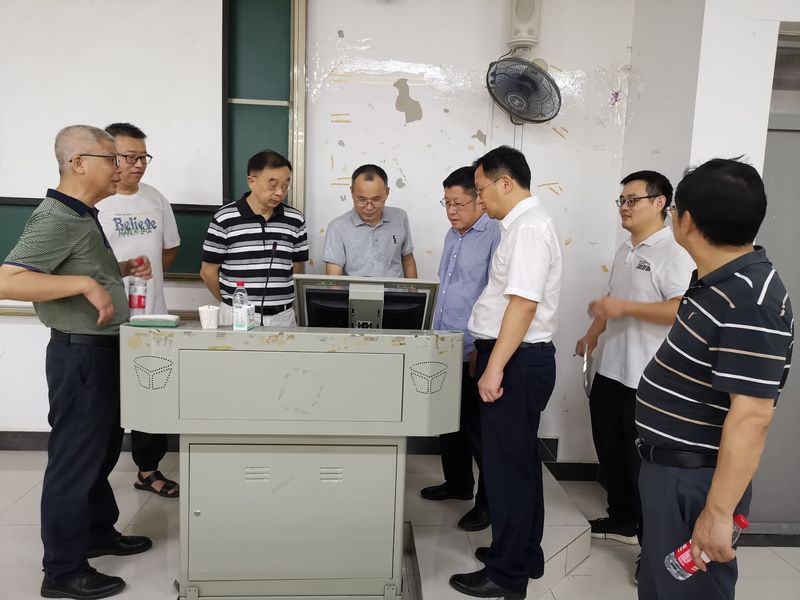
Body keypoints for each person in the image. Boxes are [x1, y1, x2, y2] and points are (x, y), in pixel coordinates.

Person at [0, 125, 154, 599]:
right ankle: (63, 570)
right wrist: (85, 285)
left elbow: (73, 266)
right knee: (75, 460)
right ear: (79, 163)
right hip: (81, 355)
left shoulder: (81, 214)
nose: (122, 167)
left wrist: (115, 273)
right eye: (113, 158)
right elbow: (7, 280)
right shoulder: (57, 218)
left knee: (101, 452)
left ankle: (96, 531)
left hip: (100, 351)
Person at [635, 158, 793, 600]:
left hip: (696, 482)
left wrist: (718, 513)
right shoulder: (718, 283)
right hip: (672, 472)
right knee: (660, 588)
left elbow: (753, 416)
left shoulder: (751, 301)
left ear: (687, 221)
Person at [450, 146, 563, 600]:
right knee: (520, 466)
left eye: (480, 191)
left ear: (505, 183)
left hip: (515, 360)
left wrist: (494, 366)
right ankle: (523, 554)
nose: (478, 200)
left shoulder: (529, 228)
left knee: (505, 472)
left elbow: (523, 304)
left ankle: (506, 573)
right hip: (515, 357)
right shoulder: (521, 226)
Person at [575, 171, 694, 579]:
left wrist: (624, 310)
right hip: (612, 370)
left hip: (647, 379)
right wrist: (593, 333)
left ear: (660, 203)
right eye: (621, 201)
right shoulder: (626, 248)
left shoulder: (674, 253)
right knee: (610, 451)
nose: (624, 207)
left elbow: (681, 309)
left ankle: (652, 549)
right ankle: (621, 518)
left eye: (632, 200)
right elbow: (614, 299)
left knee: (642, 467)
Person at [97, 122, 181, 499]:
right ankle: (97, 473)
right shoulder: (97, 203)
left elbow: (169, 250)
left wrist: (149, 274)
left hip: (153, 318)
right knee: (108, 402)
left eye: (143, 157)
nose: (139, 164)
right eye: (130, 157)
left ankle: (148, 469)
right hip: (108, 320)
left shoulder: (155, 199)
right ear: (110, 156)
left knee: (152, 393)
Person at [419, 166, 501, 532]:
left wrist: (481, 348)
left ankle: (487, 504)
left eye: (459, 203)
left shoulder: (495, 235)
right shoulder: (453, 234)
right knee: (448, 421)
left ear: (479, 200)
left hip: (474, 348)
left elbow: (495, 296)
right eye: (446, 203)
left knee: (477, 431)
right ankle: (457, 483)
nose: (451, 211)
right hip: (446, 343)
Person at [201, 150, 308, 326]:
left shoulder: (295, 219)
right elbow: (207, 273)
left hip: (283, 317)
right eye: (273, 185)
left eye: (285, 185)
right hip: (237, 315)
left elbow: (296, 268)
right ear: (252, 181)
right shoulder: (224, 218)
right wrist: (230, 304)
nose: (280, 192)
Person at [323, 164, 417, 278]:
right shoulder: (337, 227)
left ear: (387, 192)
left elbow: (408, 261)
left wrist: (414, 289)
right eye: (362, 200)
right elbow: (334, 278)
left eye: (376, 200)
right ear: (352, 192)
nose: (369, 207)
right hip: (356, 289)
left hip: (394, 289)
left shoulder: (400, 217)